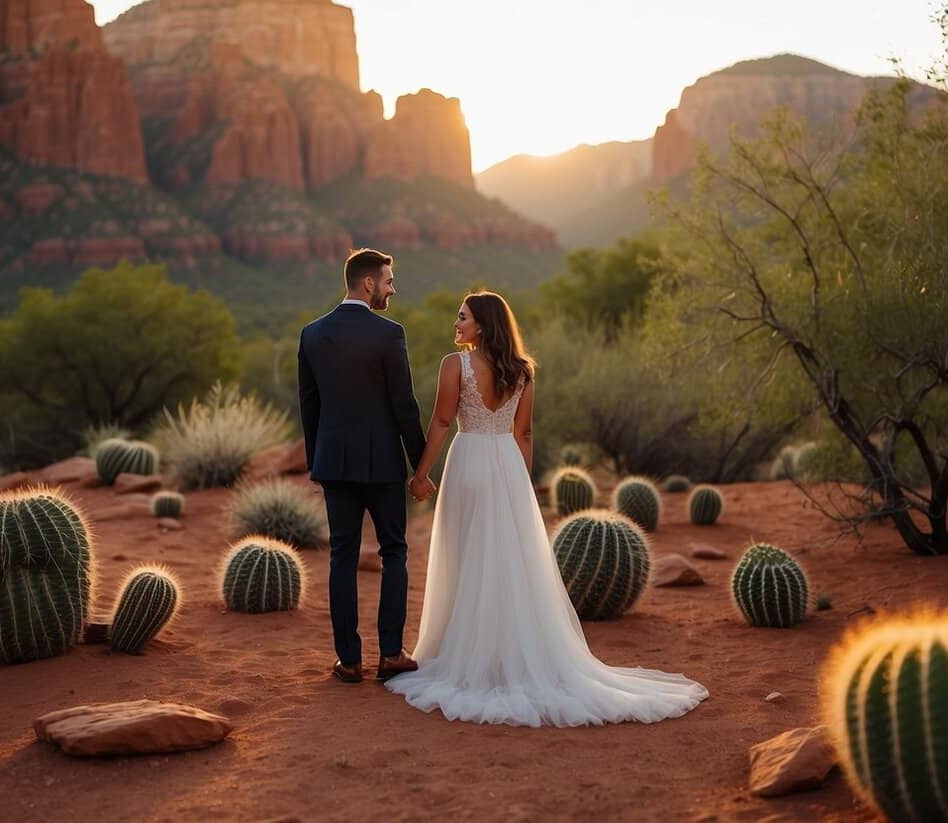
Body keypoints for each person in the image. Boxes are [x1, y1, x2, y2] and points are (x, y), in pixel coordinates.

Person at [385, 290, 709, 726]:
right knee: (506, 563)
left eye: (462, 317)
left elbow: (442, 422)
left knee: (466, 557)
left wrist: (421, 474)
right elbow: (525, 434)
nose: (456, 324)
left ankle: (467, 657)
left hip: (469, 464)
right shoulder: (522, 371)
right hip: (507, 466)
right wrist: (522, 487)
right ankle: (505, 654)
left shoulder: (454, 365)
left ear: (482, 324)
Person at [297, 248, 427, 684]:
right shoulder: (389, 333)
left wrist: (319, 462)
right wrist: (421, 463)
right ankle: (391, 654)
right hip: (385, 465)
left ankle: (348, 660)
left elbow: (309, 407)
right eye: (388, 281)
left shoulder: (312, 334)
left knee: (341, 557)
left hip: (335, 464)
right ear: (368, 283)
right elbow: (404, 405)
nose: (392, 289)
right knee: (394, 552)